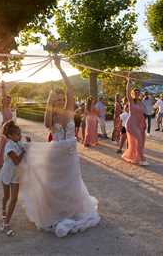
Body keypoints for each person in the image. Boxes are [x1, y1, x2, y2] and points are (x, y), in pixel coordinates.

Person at [19, 56, 100, 238]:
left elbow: (70, 90)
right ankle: (55, 212)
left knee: (70, 184)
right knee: (54, 185)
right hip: (54, 157)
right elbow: (49, 127)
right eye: (56, 99)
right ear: (52, 102)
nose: (61, 101)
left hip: (69, 156)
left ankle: (70, 212)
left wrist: (60, 68)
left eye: (61, 98)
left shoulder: (69, 112)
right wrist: (49, 102)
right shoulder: (50, 118)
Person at [0, 120, 28, 237]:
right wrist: (23, 152)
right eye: (17, 134)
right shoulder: (9, 145)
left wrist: (27, 144)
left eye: (20, 134)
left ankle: (6, 223)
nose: (20, 136)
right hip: (6, 173)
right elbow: (16, 161)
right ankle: (3, 210)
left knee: (14, 199)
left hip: (15, 175)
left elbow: (24, 146)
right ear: (10, 136)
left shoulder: (18, 143)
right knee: (7, 196)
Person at [122, 78, 148, 166]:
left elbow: (142, 114)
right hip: (131, 123)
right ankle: (142, 158)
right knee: (139, 140)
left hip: (139, 123)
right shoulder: (131, 101)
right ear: (133, 94)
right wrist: (128, 82)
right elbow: (127, 92)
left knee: (140, 141)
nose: (137, 94)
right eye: (135, 92)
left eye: (138, 93)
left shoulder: (141, 102)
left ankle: (133, 156)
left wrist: (144, 123)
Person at [0, 81, 13, 169]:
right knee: (3, 145)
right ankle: (0, 162)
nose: (9, 101)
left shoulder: (9, 108)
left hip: (9, 128)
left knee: (5, 145)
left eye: (10, 100)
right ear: (4, 101)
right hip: (5, 128)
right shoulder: (4, 107)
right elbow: (4, 96)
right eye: (7, 100)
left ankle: (0, 162)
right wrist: (4, 88)